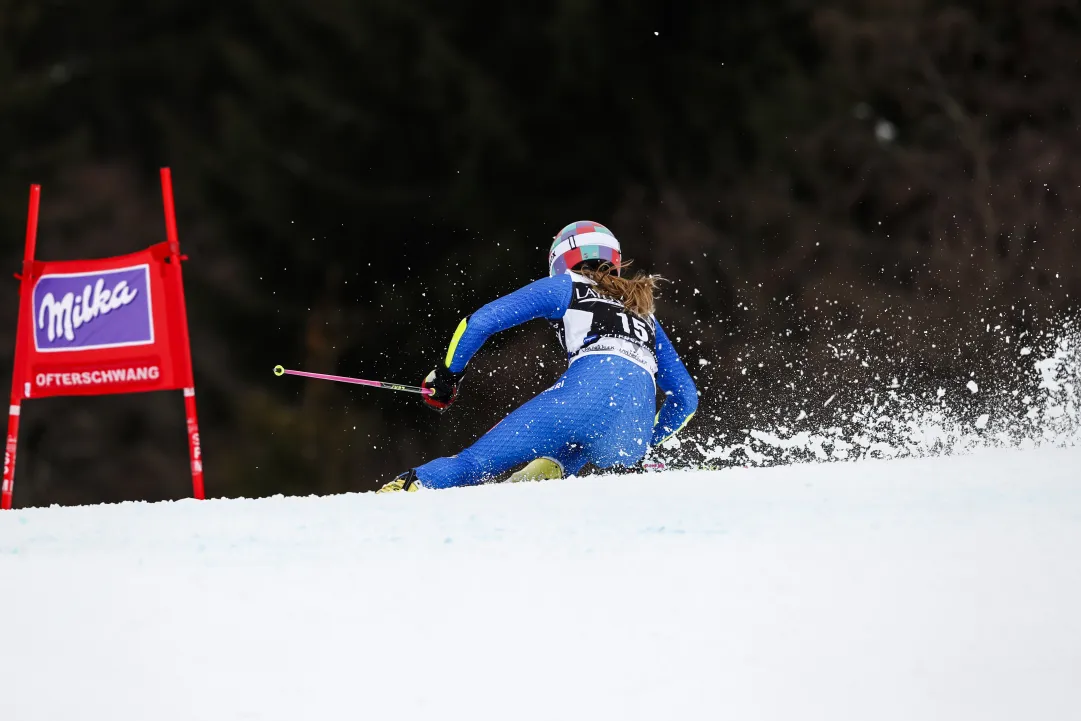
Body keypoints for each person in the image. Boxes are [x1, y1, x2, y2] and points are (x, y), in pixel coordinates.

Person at [377, 221, 698, 492]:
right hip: (629, 436)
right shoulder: (646, 315)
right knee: (581, 442)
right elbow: (685, 399)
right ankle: (548, 470)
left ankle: (409, 488)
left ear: (562, 259)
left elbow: (479, 322)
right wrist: (645, 445)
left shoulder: (567, 285)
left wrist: (448, 376)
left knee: (472, 464)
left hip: (577, 404)